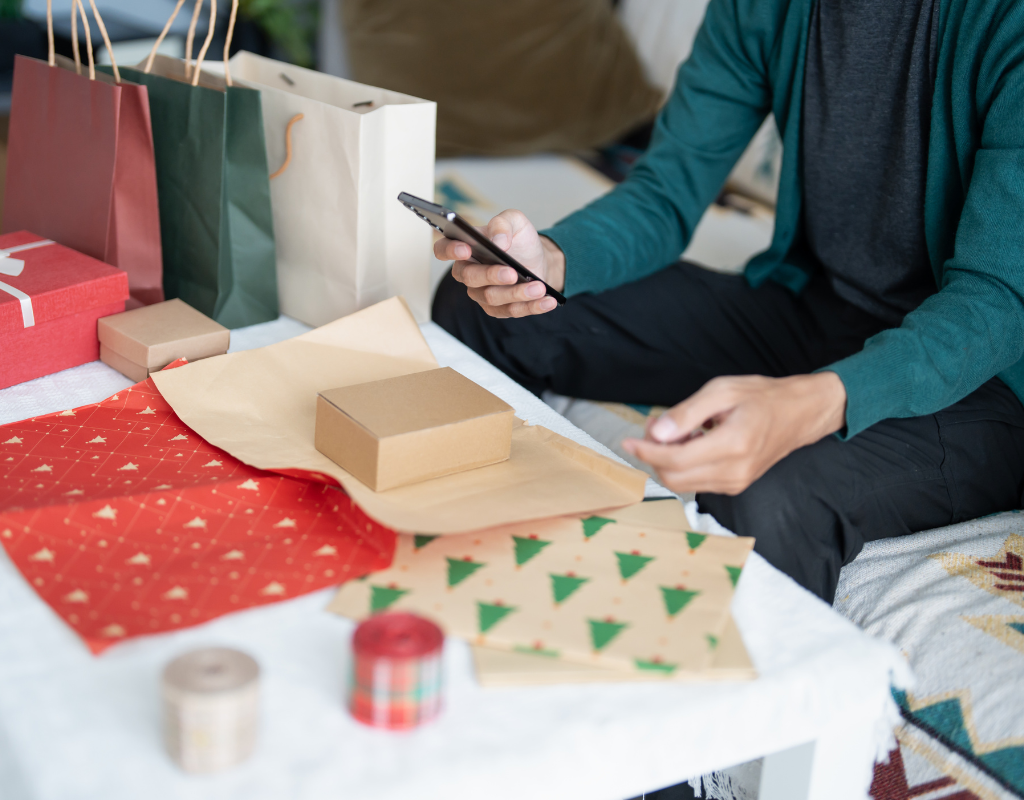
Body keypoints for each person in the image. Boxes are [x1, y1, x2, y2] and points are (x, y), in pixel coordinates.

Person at [431, 0, 1024, 603]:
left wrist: (813, 401)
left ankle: (728, 686)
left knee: (764, 488)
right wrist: (550, 260)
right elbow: (666, 191)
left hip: (977, 383)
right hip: (811, 309)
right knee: (482, 310)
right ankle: (463, 553)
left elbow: (996, 301)